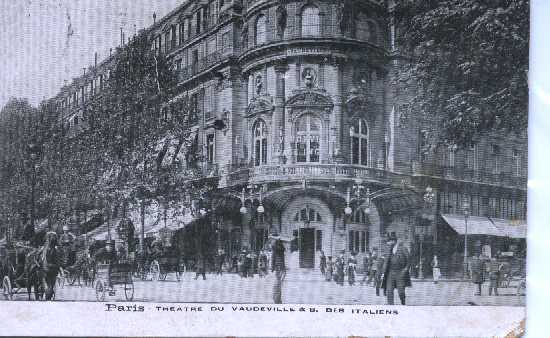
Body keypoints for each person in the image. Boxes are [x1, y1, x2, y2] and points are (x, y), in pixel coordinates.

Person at [382, 234, 412, 305]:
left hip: (400, 272)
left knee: (401, 291)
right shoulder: (389, 250)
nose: (388, 243)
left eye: (389, 241)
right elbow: (386, 261)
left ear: (394, 241)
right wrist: (384, 272)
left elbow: (409, 260)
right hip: (390, 272)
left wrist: (405, 270)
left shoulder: (403, 248)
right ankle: (391, 306)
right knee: (389, 291)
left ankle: (403, 302)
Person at [270, 233, 286, 304]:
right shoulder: (276, 245)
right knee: (278, 282)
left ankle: (277, 298)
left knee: (279, 282)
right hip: (279, 265)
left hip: (280, 265)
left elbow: (281, 250)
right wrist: (272, 266)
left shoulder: (277, 245)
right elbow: (273, 256)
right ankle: (277, 299)